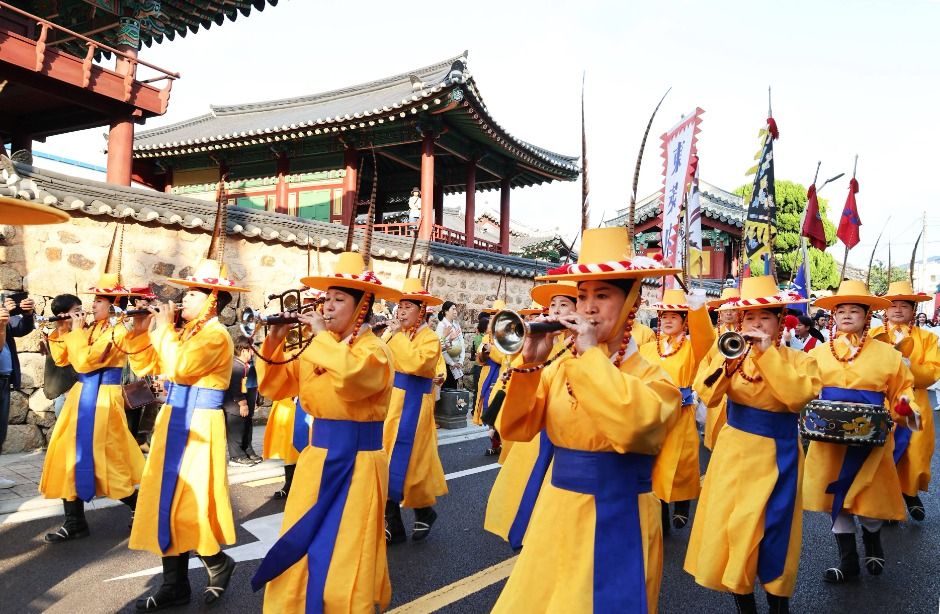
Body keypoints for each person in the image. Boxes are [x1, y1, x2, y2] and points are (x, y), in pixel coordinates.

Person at [490, 227, 681, 613]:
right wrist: (529, 364)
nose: (588, 308)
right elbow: (515, 429)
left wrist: (590, 354)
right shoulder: (560, 368)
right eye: (582, 297)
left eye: (603, 296)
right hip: (556, 513)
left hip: (620, 517)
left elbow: (631, 427)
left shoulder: (655, 378)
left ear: (632, 302)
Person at [250, 251, 400, 613]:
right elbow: (276, 387)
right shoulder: (319, 347)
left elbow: (351, 378)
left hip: (359, 462)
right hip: (316, 459)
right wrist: (274, 340)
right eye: (326, 299)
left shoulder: (374, 351)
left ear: (361, 307)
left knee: (347, 548)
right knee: (302, 536)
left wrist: (320, 339)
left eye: (338, 300)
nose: (327, 307)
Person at [686, 276, 821, 614]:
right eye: (749, 318)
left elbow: (796, 398)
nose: (755, 324)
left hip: (780, 455)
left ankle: (779, 604)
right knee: (733, 528)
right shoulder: (729, 353)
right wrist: (728, 363)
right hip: (734, 452)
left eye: (764, 317)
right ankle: (743, 604)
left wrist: (764, 354)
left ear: (779, 321)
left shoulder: (799, 360)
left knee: (775, 531)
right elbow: (707, 393)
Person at [125, 250, 248, 610]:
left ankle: (215, 561)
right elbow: (144, 362)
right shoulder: (187, 332)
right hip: (175, 420)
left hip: (199, 425)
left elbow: (180, 368)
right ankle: (175, 584)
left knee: (187, 502)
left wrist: (165, 331)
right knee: (163, 501)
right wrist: (140, 330)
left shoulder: (216, 336)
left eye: (193, 293)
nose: (183, 299)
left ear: (212, 302)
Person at [803, 280, 920, 584]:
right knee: (836, 501)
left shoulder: (888, 354)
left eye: (855, 310)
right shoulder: (818, 353)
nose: (846, 315)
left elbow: (902, 391)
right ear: (833, 316)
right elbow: (803, 389)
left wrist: (906, 406)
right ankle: (848, 562)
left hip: (870, 439)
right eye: (841, 310)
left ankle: (873, 545)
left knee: (868, 499)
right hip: (828, 439)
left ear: (867, 316)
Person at [39, 273, 145, 542]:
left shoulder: (119, 330)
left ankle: (141, 506)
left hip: (104, 401)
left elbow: (86, 362)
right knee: (67, 455)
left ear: (114, 305)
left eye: (99, 301)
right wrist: (63, 328)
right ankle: (74, 522)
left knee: (106, 461)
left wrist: (75, 332)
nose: (92, 305)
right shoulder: (92, 328)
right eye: (94, 300)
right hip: (81, 396)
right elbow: (64, 359)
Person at [484, 280, 577, 548]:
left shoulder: (580, 349)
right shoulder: (551, 343)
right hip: (541, 434)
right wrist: (531, 359)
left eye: (564, 305)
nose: (556, 312)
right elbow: (522, 396)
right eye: (553, 306)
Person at [640, 288, 716, 531]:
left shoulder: (692, 348)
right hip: (653, 413)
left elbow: (708, 342)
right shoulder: (649, 348)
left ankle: (682, 502)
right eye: (664, 316)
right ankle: (659, 510)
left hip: (680, 412)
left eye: (674, 315)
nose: (667, 320)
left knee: (680, 460)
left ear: (685, 321)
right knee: (654, 463)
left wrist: (697, 309)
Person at [383, 277, 449, 544]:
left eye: (407, 307)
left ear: (421, 311)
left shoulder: (430, 338)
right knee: (386, 457)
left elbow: (414, 364)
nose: (400, 312)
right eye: (399, 306)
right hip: (392, 400)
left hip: (415, 404)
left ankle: (418, 512)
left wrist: (395, 337)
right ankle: (396, 521)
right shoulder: (395, 334)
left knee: (412, 461)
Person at [870, 280, 940, 521]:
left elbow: (933, 371)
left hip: (916, 401)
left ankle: (909, 493)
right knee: (883, 453)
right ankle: (887, 501)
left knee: (917, 452)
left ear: (912, 310)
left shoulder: (928, 338)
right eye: (893, 305)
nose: (898, 310)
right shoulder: (874, 335)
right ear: (885, 310)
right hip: (883, 403)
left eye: (904, 305)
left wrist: (910, 368)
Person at [0, 293, 37, 489]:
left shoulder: (3, 309)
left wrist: (28, 313)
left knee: (0, 431)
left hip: (4, 381)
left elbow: (21, 327)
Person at [701, 287, 740, 452]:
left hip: (739, 392)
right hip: (717, 391)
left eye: (733, 308)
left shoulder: (747, 335)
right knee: (717, 442)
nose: (729, 312)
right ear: (720, 312)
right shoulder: (711, 337)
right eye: (725, 308)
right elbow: (704, 362)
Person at [475, 299, 509, 456]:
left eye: (498, 315)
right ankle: (495, 444)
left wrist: (493, 351)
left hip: (501, 375)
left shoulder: (508, 336)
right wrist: (483, 353)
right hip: (488, 375)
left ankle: (502, 443)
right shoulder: (486, 337)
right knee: (489, 408)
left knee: (500, 409)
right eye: (493, 315)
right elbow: (479, 360)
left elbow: (507, 358)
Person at [224, 337, 260, 466]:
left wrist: (255, 401)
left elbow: (252, 386)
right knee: (236, 431)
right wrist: (243, 403)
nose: (253, 352)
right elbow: (235, 387)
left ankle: (247, 450)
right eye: (250, 349)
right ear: (243, 350)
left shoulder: (247, 365)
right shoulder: (236, 366)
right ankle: (236, 456)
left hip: (247, 404)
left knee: (246, 429)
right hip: (236, 406)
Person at [437, 300, 465, 389]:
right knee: (446, 390)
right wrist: (451, 363)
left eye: (455, 309)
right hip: (446, 364)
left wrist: (461, 360)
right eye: (453, 309)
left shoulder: (456, 325)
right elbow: (440, 348)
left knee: (453, 391)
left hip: (456, 364)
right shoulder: (441, 326)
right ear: (445, 311)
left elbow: (462, 343)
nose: (455, 311)